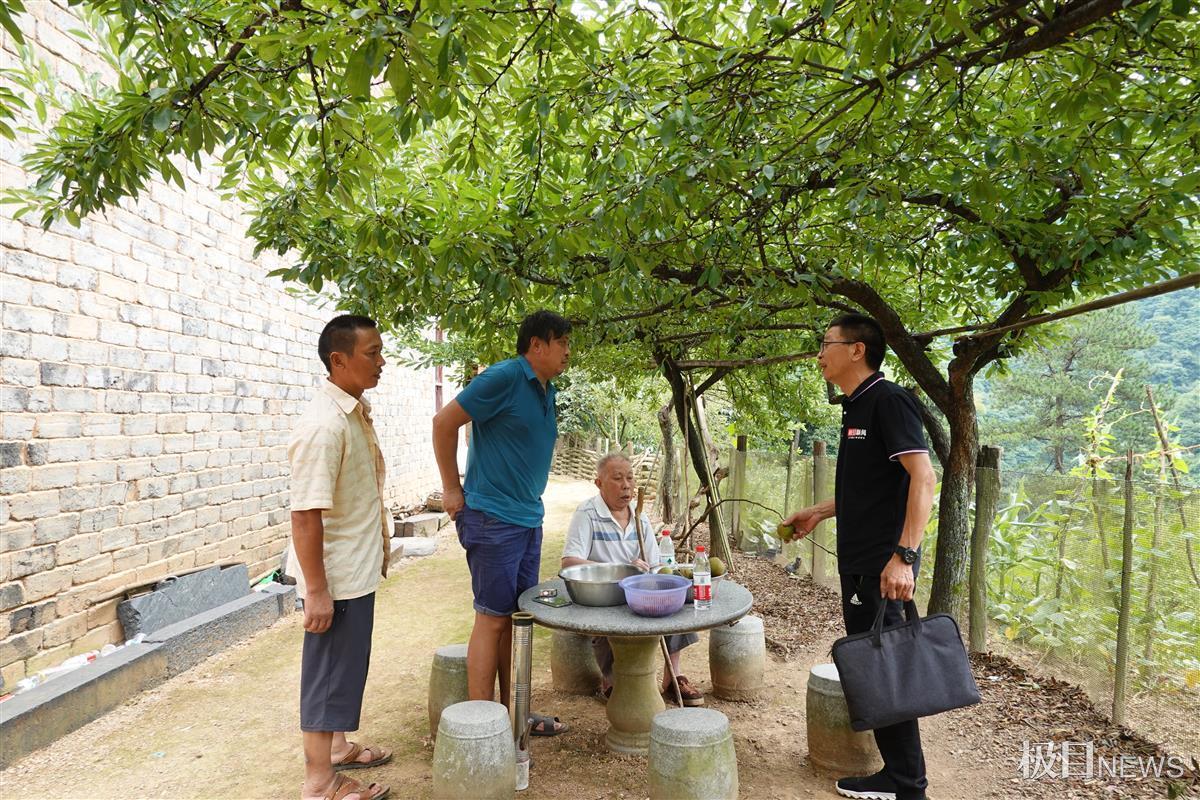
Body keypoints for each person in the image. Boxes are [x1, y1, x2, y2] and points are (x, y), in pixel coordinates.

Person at [784, 314, 937, 800]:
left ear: (857, 350)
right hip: (860, 563)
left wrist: (904, 556)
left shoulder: (889, 401)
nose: (818, 354)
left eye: (826, 343)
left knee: (886, 669)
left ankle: (909, 787)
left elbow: (924, 478)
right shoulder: (856, 406)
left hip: (883, 566)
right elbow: (872, 488)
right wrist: (818, 512)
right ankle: (897, 774)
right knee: (876, 668)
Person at [431, 310, 572, 736]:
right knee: (491, 618)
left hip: (528, 518)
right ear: (537, 345)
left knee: (517, 619)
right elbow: (443, 423)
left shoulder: (546, 389)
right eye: (562, 342)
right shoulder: (504, 377)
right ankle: (482, 730)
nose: (568, 351)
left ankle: (513, 713)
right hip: (492, 517)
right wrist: (451, 489)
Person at [288, 315, 395, 800]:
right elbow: (305, 515)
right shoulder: (324, 425)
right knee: (328, 673)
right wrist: (316, 590)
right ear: (339, 359)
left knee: (345, 668)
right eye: (372, 353)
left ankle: (336, 748)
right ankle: (319, 783)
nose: (381, 361)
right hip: (335, 576)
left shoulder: (351, 411)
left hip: (354, 568)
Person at [561, 453, 705, 705]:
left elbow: (656, 564)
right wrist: (621, 569)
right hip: (603, 597)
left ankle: (673, 677)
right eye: (617, 478)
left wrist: (662, 577)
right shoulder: (587, 513)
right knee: (609, 620)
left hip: (638, 594)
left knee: (673, 600)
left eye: (630, 478)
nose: (626, 485)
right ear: (599, 483)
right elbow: (569, 562)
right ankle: (611, 680)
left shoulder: (640, 517)